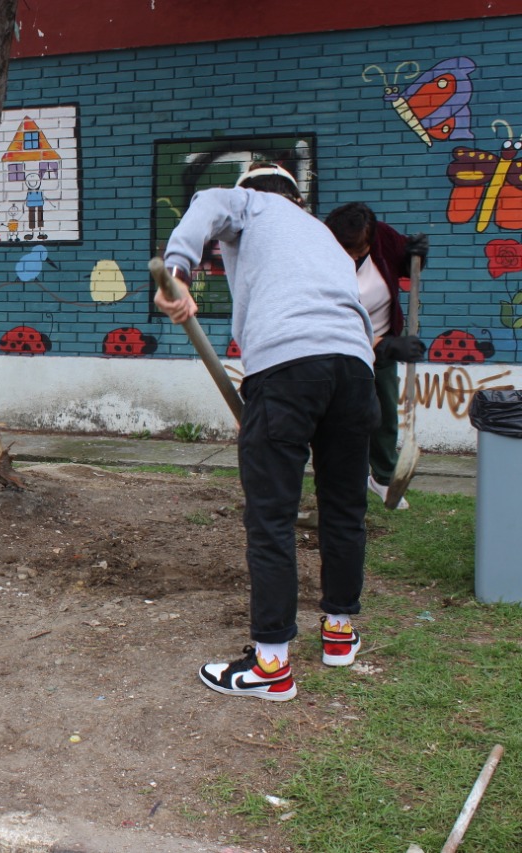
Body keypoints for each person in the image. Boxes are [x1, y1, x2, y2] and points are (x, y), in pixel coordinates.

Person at [157, 162, 380, 701]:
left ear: (250, 191)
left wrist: (178, 270)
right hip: (354, 369)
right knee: (345, 507)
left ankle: (272, 664)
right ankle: (340, 633)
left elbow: (208, 205)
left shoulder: (251, 204)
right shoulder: (321, 233)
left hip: (286, 366)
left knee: (271, 515)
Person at [324, 203, 428, 510]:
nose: (354, 257)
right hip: (338, 351)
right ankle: (340, 483)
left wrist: (416, 256)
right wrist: (385, 346)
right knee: (343, 419)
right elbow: (331, 324)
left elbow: (408, 266)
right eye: (347, 249)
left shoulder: (382, 236)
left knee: (384, 414)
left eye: (359, 250)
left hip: (381, 342)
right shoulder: (319, 254)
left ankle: (383, 478)